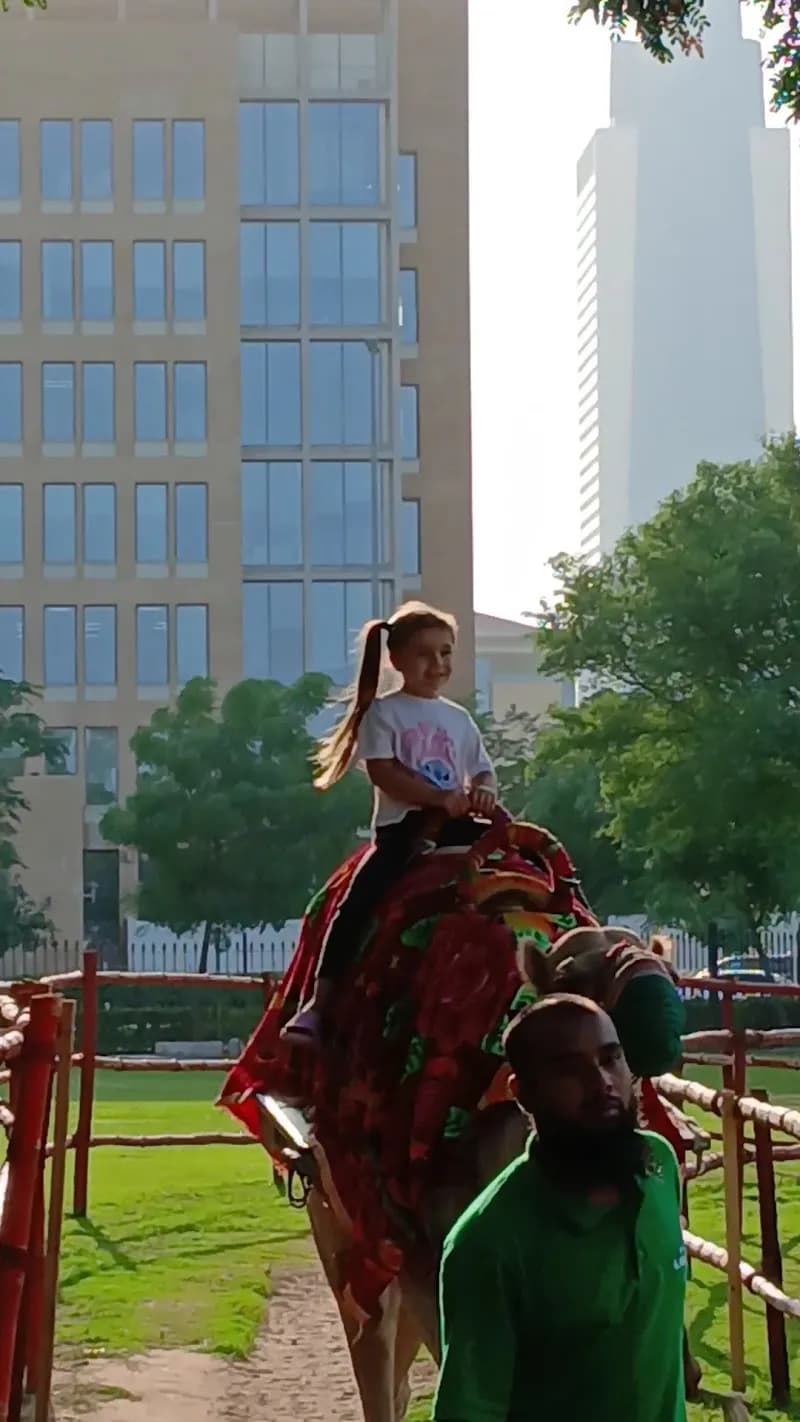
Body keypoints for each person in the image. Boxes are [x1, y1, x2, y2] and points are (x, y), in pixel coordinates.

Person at [434, 995, 688, 1422]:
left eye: (611, 1058)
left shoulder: (659, 1167)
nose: (602, 1081)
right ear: (524, 1093)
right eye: (570, 1069)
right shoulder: (487, 1243)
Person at [281, 601, 497, 1051]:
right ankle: (319, 1004)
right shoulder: (385, 712)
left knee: (524, 865)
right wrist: (439, 796)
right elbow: (384, 772)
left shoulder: (459, 718)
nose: (437, 664)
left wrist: (483, 791)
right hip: (405, 829)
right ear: (396, 659)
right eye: (425, 653)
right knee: (358, 903)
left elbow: (483, 770)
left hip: (459, 824)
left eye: (446, 653)